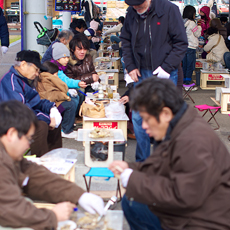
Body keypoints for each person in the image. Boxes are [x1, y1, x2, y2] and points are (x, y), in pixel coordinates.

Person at [109, 77, 230, 230]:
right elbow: (160, 164)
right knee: (132, 200)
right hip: (191, 209)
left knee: (134, 200)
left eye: (147, 119)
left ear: (165, 113)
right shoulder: (177, 123)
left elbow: (184, 197)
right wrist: (130, 167)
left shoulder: (194, 142)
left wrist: (133, 178)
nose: (144, 126)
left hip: (203, 221)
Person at [0, 100, 104, 229]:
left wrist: (79, 195)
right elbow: (9, 210)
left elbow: (33, 174)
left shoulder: (10, 154)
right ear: (11, 134)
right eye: (28, 138)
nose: (29, 145)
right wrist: (52, 216)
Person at [120, 0, 187, 162]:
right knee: (137, 116)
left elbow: (181, 43)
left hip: (164, 72)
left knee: (162, 117)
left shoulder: (169, 10)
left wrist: (166, 67)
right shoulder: (131, 13)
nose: (137, 9)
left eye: (140, 6)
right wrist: (130, 66)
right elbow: (126, 42)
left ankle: (163, 161)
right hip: (140, 73)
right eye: (133, 6)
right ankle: (143, 161)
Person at [0, 50, 63, 157]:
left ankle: (54, 158)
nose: (37, 73)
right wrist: (47, 119)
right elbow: (20, 111)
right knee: (40, 126)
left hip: (22, 117)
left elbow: (36, 102)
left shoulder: (25, 80)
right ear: (23, 65)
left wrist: (52, 108)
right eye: (36, 69)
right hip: (10, 122)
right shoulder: (11, 81)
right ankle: (40, 163)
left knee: (55, 120)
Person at [37, 61, 78, 139]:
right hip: (50, 107)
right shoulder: (46, 80)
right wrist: (65, 96)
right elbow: (51, 95)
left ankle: (68, 125)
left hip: (53, 104)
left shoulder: (46, 78)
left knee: (72, 101)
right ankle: (66, 130)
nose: (57, 76)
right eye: (56, 74)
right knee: (70, 105)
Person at [50, 42, 87, 118]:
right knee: (74, 100)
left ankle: (73, 120)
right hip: (56, 98)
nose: (66, 60)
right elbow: (65, 81)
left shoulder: (60, 67)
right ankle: (66, 127)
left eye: (67, 57)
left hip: (60, 93)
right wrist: (78, 83)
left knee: (77, 96)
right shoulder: (55, 69)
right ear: (57, 58)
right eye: (64, 58)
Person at [182, 5, 201, 86]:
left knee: (184, 65)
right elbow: (197, 34)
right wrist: (199, 27)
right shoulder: (192, 23)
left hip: (183, 47)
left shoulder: (182, 21)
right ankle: (187, 83)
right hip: (191, 47)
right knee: (190, 66)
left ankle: (183, 81)